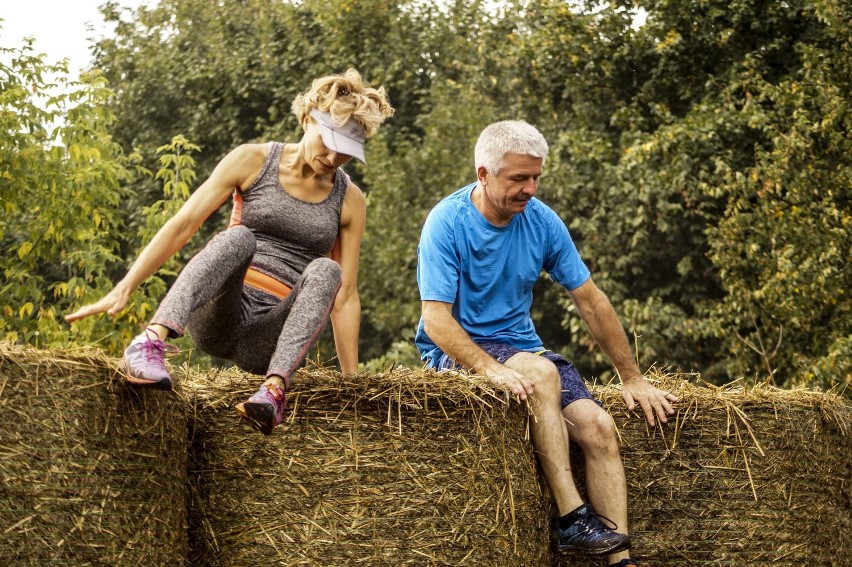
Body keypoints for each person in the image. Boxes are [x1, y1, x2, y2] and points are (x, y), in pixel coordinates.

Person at [66, 69, 394, 435]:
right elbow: (183, 223)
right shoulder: (252, 160)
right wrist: (124, 287)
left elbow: (345, 297)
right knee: (238, 238)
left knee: (329, 271)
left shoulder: (349, 200)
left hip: (267, 339)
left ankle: (273, 392)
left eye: (346, 152)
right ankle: (149, 343)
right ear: (306, 119)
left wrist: (353, 385)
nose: (333, 157)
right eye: (328, 140)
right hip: (219, 315)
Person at [415, 120, 678, 566]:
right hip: (457, 352)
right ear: (483, 173)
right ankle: (573, 519)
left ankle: (621, 561)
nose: (530, 189)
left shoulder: (541, 220)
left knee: (598, 427)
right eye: (519, 178)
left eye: (536, 177)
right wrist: (489, 369)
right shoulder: (447, 221)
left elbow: (590, 301)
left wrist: (632, 377)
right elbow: (436, 320)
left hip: (522, 348)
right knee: (540, 373)